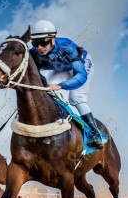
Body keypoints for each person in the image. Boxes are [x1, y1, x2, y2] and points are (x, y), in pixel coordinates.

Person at [28, 19, 104, 149]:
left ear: (53, 39)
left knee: (76, 98)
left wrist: (61, 86)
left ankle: (95, 134)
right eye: (35, 43)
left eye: (43, 42)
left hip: (81, 67)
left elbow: (81, 75)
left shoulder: (66, 47)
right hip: (60, 68)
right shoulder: (34, 53)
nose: (39, 47)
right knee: (45, 93)